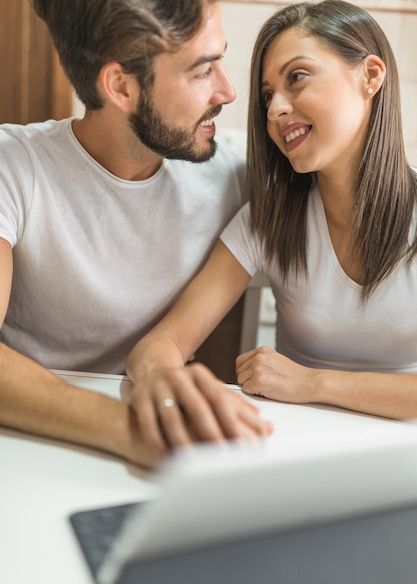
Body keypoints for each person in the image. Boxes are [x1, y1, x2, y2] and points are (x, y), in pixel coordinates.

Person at [127, 0, 417, 446]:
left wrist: (310, 383)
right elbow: (162, 343)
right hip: (293, 448)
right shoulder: (269, 219)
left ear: (371, 76)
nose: (275, 109)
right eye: (267, 95)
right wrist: (165, 381)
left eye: (297, 77)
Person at [0, 0, 270, 469]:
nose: (227, 91)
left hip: (142, 467)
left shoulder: (233, 182)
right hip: (26, 448)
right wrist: (133, 428)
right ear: (121, 87)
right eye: (202, 71)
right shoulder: (15, 167)